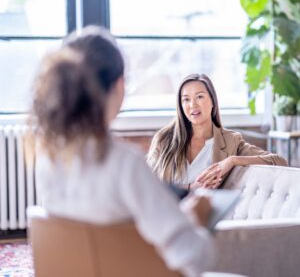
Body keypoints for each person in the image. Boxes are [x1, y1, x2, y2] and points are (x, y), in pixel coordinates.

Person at [30, 26, 215, 277]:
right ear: (119, 85)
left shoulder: (48, 160)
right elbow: (194, 258)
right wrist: (195, 219)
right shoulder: (125, 164)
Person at [147, 74, 288, 189]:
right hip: (168, 217)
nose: (193, 105)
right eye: (186, 99)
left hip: (208, 219)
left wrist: (232, 160)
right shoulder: (164, 139)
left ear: (213, 101)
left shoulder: (230, 141)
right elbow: (146, 186)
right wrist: (191, 188)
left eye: (199, 97)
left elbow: (279, 161)